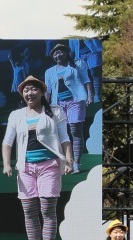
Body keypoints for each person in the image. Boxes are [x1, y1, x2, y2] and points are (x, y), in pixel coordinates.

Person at [2, 76, 73, 240]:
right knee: (29, 212)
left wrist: (69, 160)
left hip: (49, 166)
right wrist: (7, 164)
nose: (29, 93)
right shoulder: (16, 115)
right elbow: (8, 142)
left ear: (42, 92)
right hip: (25, 169)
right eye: (25, 90)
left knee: (47, 210)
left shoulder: (55, 111)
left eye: (33, 89)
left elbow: (65, 137)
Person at [44, 43, 93, 174]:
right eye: (55, 53)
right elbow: (47, 90)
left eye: (60, 52)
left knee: (75, 130)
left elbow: (86, 80)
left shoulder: (78, 64)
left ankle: (76, 162)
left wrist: (90, 94)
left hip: (75, 101)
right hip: (58, 104)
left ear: (66, 52)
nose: (57, 55)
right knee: (62, 133)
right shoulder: (49, 71)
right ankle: (66, 162)